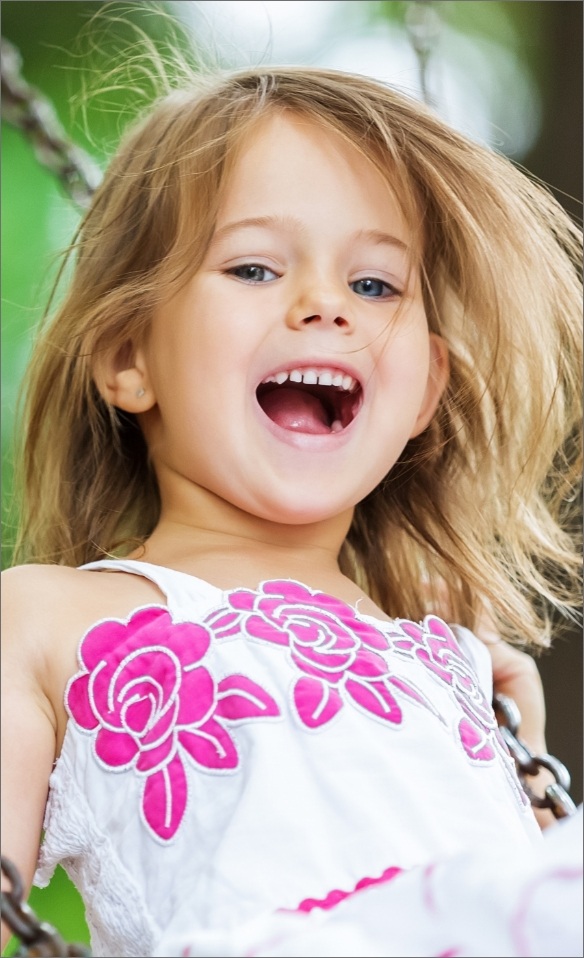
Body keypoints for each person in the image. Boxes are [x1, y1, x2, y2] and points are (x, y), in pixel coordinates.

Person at [1, 65, 582, 958]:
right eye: (255, 267)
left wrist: (520, 749)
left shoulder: (458, 661)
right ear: (128, 357)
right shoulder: (48, 620)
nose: (325, 306)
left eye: (376, 285)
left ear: (426, 388)